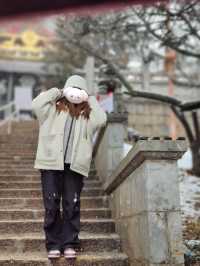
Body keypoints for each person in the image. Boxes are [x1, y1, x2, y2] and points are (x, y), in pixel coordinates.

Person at [31, 75, 107, 260]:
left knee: (71, 205)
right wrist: (57, 92)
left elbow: (102, 119)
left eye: (78, 89)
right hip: (50, 164)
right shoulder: (52, 110)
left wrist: (89, 98)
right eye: (71, 88)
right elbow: (36, 105)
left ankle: (70, 243)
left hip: (75, 167)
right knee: (51, 205)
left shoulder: (87, 115)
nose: (74, 92)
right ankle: (53, 244)